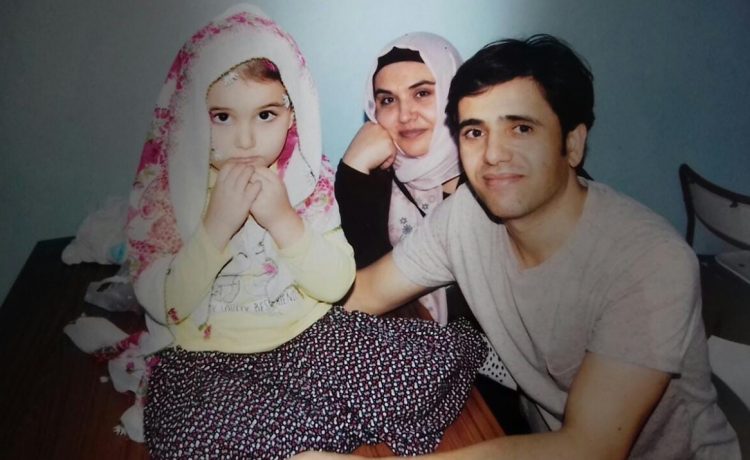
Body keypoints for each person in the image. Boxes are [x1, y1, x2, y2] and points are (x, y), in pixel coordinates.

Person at [296, 35, 740, 459]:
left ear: (572, 143)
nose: (493, 155)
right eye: (475, 132)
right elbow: (365, 293)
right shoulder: (466, 215)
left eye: (521, 128)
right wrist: (262, 307)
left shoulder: (650, 262)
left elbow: (590, 449)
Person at [126, 5, 485, 458]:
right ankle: (302, 429)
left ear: (292, 114)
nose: (245, 140)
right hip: (209, 356)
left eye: (265, 115)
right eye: (222, 117)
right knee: (187, 435)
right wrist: (215, 228)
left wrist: (284, 220)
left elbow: (337, 283)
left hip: (309, 339)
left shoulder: (307, 181)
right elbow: (166, 305)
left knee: (434, 364)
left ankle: (290, 429)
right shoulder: (170, 191)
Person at [335, 32, 464, 325]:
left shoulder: (491, 182)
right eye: (388, 100)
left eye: (422, 93)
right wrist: (352, 173)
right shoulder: (370, 186)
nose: (405, 115)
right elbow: (355, 300)